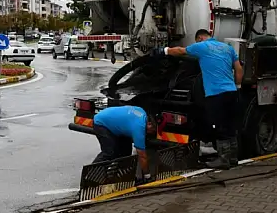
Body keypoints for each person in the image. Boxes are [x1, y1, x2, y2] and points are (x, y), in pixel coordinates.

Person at [152, 29, 243, 169]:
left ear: (200, 38)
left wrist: (164, 51)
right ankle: (233, 158)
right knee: (230, 126)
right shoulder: (227, 48)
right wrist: (237, 86)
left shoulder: (202, 46)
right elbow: (239, 69)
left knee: (220, 127)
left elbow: (180, 51)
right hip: (231, 92)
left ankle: (223, 160)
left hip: (216, 93)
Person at [92, 105, 157, 182]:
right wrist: (147, 176)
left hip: (114, 121)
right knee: (110, 152)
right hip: (101, 123)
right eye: (152, 130)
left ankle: (122, 177)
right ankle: (91, 176)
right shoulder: (139, 128)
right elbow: (142, 156)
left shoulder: (142, 112)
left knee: (126, 152)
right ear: (149, 124)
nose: (150, 133)